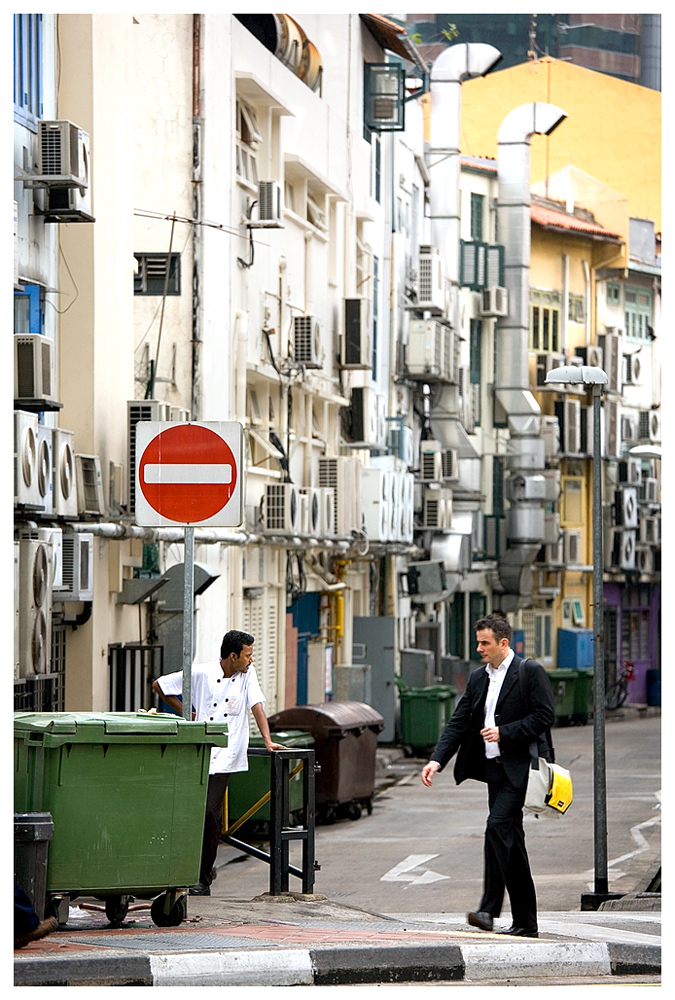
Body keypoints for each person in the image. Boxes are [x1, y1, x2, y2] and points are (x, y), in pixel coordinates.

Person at [421, 613, 555, 938]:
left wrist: (504, 733)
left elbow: (545, 716)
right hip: (494, 771)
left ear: (503, 643)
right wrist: (437, 760)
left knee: (496, 828)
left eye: (485, 643)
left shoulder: (528, 672)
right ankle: (526, 922)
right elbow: (458, 722)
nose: (479, 648)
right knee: (510, 841)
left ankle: (488, 909)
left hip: (521, 769)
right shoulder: (479, 677)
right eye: (478, 642)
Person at [152, 629, 285, 896]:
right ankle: (193, 870)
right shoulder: (201, 673)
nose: (252, 660)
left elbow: (256, 705)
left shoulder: (248, 675)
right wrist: (187, 713)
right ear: (233, 656)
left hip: (226, 754)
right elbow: (160, 685)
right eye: (248, 655)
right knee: (191, 813)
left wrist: (268, 740)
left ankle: (203, 878)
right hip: (199, 753)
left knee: (210, 813)